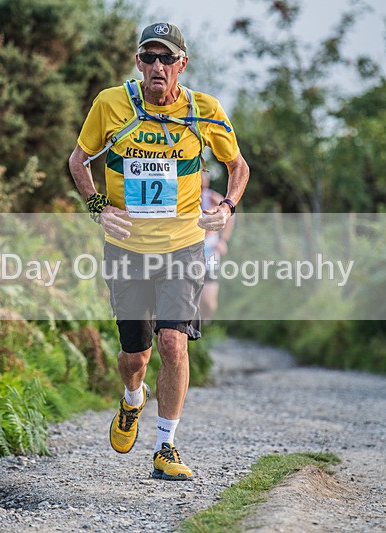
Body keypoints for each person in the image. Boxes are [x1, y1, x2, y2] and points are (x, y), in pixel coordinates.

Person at [68, 22, 249, 481]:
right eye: (148, 57)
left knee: (173, 342)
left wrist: (226, 207)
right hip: (127, 247)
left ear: (182, 65)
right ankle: (132, 400)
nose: (157, 67)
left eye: (166, 59)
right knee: (136, 356)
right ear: (137, 62)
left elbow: (237, 166)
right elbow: (78, 160)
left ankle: (166, 446)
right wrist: (97, 206)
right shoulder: (111, 104)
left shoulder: (206, 111)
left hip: (183, 247)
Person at [200, 168, 235, 320]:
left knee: (209, 303)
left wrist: (223, 240)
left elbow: (230, 215)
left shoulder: (211, 197)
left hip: (209, 253)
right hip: (186, 252)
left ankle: (203, 324)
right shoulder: (179, 199)